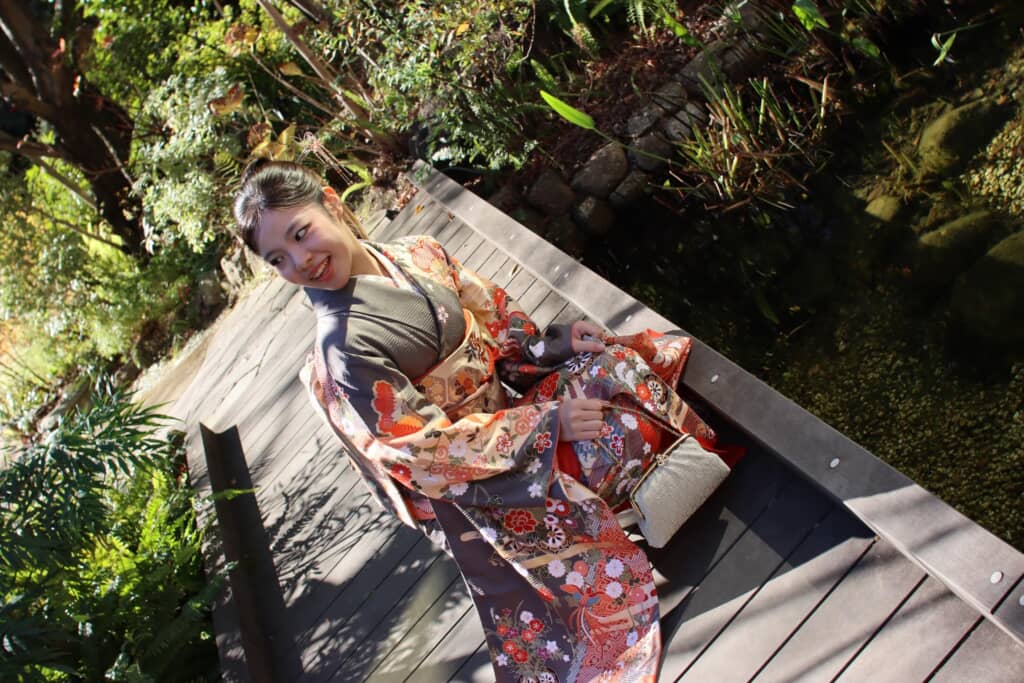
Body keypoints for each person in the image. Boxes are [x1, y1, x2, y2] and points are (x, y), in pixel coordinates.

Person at [233, 159, 727, 683]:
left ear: (331, 203)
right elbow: (422, 452)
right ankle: (622, 501)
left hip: (514, 421)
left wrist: (554, 347)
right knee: (616, 428)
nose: (301, 261)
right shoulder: (344, 350)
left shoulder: (418, 253)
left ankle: (633, 491)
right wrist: (545, 428)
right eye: (278, 259)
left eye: (301, 233)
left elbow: (505, 338)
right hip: (481, 486)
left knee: (616, 367)